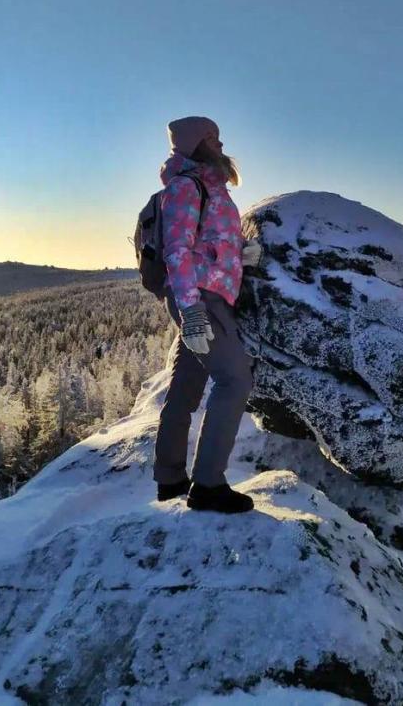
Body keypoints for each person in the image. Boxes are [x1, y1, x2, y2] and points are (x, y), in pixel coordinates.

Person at [153, 116, 263, 514]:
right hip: (200, 297)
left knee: (186, 386)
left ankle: (170, 478)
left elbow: (209, 243)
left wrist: (242, 252)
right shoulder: (186, 187)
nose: (219, 144)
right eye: (211, 138)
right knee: (235, 380)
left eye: (218, 136)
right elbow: (177, 251)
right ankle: (209, 485)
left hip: (207, 293)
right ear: (194, 144)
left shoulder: (208, 186)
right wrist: (193, 311)